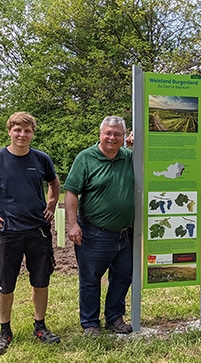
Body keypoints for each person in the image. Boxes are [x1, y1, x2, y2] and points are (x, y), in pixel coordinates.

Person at [0, 112, 61, 355]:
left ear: (32, 134)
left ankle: (40, 326)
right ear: (9, 131)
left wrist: (51, 204)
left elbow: (54, 183)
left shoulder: (41, 159)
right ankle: (5, 331)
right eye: (17, 130)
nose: (22, 135)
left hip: (38, 232)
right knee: (5, 284)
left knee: (41, 281)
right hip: (7, 234)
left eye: (27, 131)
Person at [64, 116, 135, 337]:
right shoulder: (86, 158)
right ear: (100, 134)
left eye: (117, 134)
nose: (112, 137)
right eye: (108, 133)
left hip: (125, 234)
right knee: (90, 279)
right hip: (94, 233)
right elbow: (71, 192)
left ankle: (114, 318)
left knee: (123, 277)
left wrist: (135, 147)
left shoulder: (130, 157)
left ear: (124, 137)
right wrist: (73, 224)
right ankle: (90, 323)